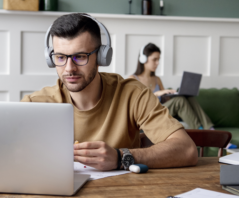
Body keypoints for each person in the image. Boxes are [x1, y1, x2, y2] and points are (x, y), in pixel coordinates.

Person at [21, 13, 198, 171]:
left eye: (80, 56)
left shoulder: (133, 94)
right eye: (60, 57)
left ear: (101, 57)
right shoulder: (34, 104)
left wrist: (121, 157)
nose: (69, 68)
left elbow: (187, 150)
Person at [129, 43, 214, 130]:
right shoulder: (133, 79)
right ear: (143, 59)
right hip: (148, 114)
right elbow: (134, 105)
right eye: (154, 59)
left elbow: (167, 101)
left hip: (162, 109)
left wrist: (173, 94)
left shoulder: (157, 79)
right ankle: (201, 130)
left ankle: (210, 128)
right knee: (179, 101)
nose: (157, 63)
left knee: (188, 98)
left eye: (158, 59)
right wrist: (156, 94)